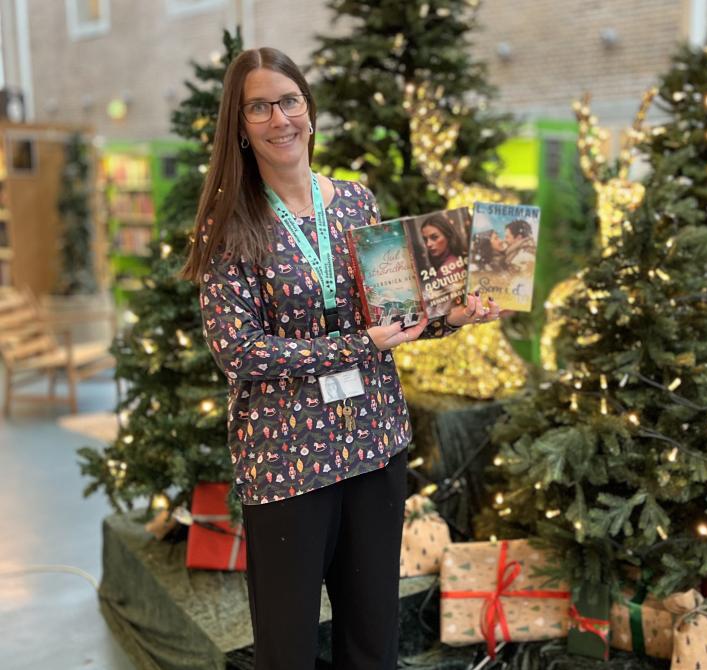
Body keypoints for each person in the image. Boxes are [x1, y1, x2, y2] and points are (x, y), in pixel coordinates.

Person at [181, 47, 500, 670]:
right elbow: (239, 352)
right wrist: (360, 345)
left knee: (372, 636)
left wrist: (449, 317)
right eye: (260, 107)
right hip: (286, 459)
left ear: (309, 108)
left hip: (374, 442)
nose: (280, 119)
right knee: (288, 645)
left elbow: (391, 315)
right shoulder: (229, 223)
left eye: (289, 101)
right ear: (239, 126)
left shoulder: (356, 202)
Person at [419, 212, 465, 277]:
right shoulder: (455, 261)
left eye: (434, 237)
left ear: (448, 236)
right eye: (425, 239)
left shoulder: (446, 270)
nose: (428, 244)